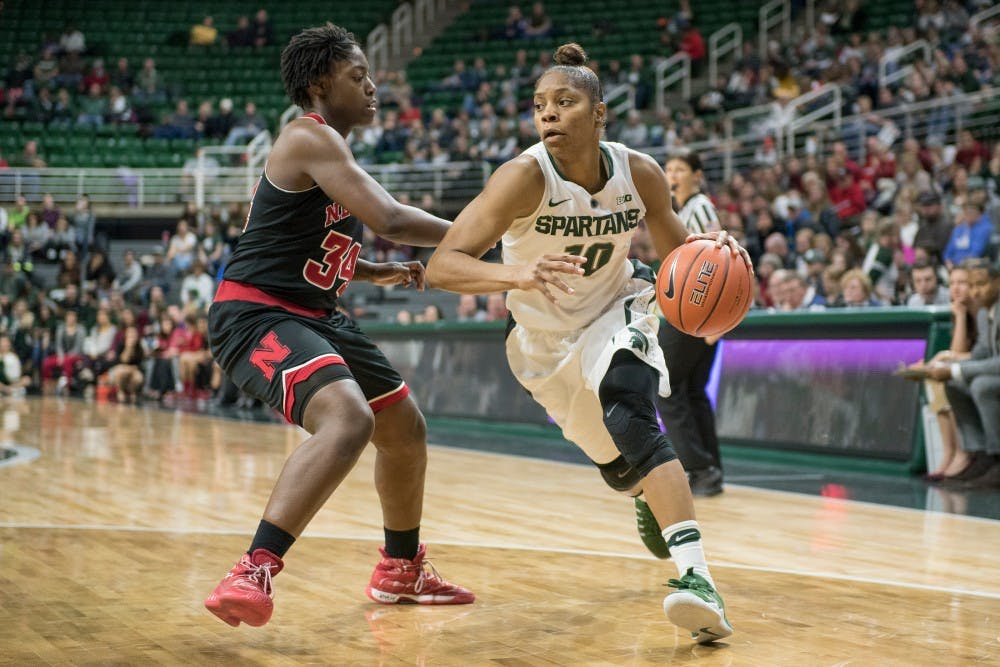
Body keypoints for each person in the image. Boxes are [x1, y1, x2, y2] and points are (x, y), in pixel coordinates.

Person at [426, 42, 748, 644]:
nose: (548, 114)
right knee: (620, 469)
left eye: (565, 102)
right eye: (540, 105)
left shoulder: (640, 172)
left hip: (616, 306)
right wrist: (515, 274)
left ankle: (698, 580)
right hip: (541, 341)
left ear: (599, 112)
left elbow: (678, 255)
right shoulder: (522, 177)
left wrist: (714, 256)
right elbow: (442, 266)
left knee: (630, 408)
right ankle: (645, 494)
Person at [203, 23, 473, 629]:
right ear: (322, 83)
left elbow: (307, 242)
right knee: (348, 418)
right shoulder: (307, 137)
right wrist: (481, 232)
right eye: (360, 76)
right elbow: (390, 216)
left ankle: (401, 568)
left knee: (403, 428)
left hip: (314, 311)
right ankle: (254, 567)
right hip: (255, 313)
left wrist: (372, 271)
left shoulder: (332, 150)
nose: (374, 87)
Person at [657, 151, 726, 497]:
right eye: (668, 169)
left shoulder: (699, 208)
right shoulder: (680, 211)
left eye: (680, 169)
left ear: (696, 175)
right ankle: (710, 469)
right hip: (702, 313)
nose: (672, 175)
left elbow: (720, 257)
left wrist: (718, 319)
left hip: (693, 313)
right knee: (693, 392)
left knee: (664, 386)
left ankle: (698, 468)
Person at [926, 260, 1000, 489]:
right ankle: (978, 453)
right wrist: (939, 365)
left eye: (982, 284)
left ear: (997, 283)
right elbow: (981, 353)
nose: (976, 291)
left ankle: (997, 457)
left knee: (981, 385)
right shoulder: (983, 313)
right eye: (973, 285)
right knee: (954, 385)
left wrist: (955, 369)